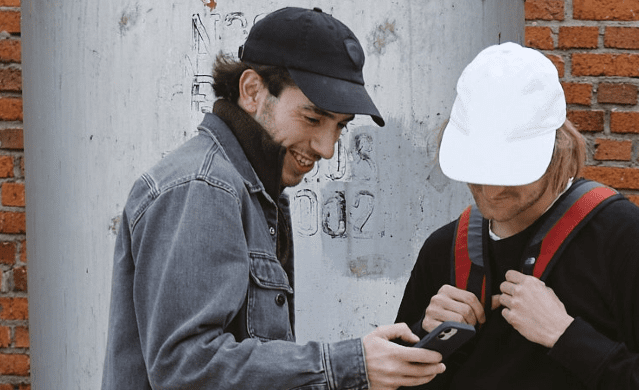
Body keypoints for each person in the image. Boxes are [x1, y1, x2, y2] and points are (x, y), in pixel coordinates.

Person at [102, 7, 445, 389]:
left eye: (340, 128)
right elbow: (188, 369)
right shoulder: (203, 188)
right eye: (313, 119)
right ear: (252, 91)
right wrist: (346, 365)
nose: (328, 148)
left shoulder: (256, 191)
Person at [395, 42, 639, 389]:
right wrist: (424, 337)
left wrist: (567, 337)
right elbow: (395, 381)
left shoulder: (631, 242)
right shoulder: (442, 249)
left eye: (509, 171)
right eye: (477, 169)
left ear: (556, 149)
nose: (490, 191)